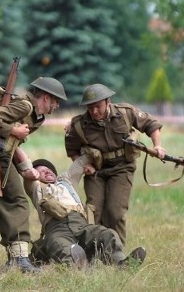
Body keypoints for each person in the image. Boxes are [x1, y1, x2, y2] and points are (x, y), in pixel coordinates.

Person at [0, 77, 67, 273]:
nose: (57, 105)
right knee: (18, 201)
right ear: (46, 98)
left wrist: (25, 167)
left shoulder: (37, 117)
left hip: (1, 154)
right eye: (56, 101)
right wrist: (13, 130)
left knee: (7, 201)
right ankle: (21, 259)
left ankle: (14, 257)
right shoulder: (24, 106)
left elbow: (15, 142)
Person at [64, 83, 165, 245]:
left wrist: (157, 145)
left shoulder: (126, 113)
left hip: (122, 168)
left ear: (107, 101)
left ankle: (116, 252)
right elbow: (72, 149)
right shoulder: (79, 125)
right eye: (90, 108)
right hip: (96, 172)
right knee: (93, 211)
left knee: (115, 212)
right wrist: (83, 165)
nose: (94, 111)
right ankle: (93, 251)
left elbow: (151, 125)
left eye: (97, 106)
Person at [24, 156, 147, 269]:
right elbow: (25, 170)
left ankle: (122, 264)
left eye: (48, 169)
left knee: (107, 234)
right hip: (56, 229)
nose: (46, 171)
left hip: (81, 224)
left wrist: (95, 152)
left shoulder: (66, 181)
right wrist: (30, 172)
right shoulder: (35, 188)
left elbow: (81, 161)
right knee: (60, 246)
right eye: (40, 171)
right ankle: (81, 271)